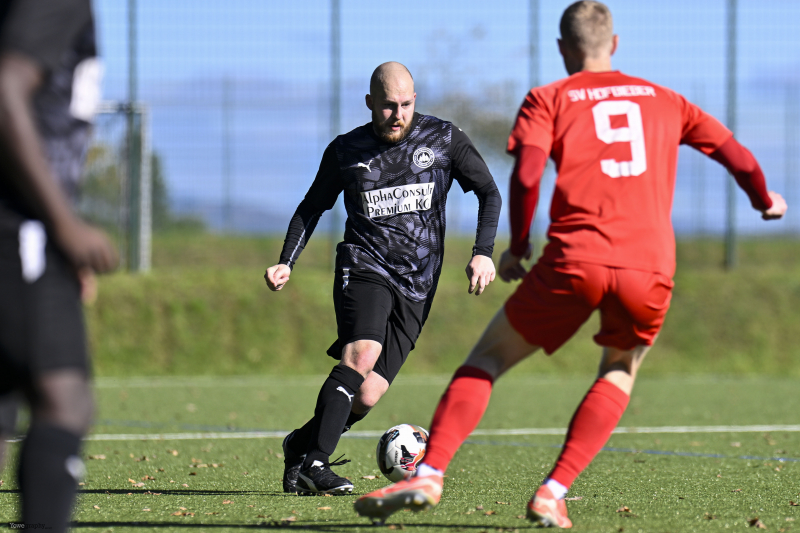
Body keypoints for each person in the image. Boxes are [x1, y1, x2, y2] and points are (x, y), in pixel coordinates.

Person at [354, 1, 787, 527]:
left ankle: (432, 471)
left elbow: (529, 173)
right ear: (616, 44)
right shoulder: (665, 99)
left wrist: (518, 248)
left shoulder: (549, 98)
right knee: (621, 368)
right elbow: (733, 153)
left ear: (563, 49)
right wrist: (766, 199)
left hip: (574, 258)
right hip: (649, 265)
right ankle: (553, 490)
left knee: (486, 361)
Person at [264, 61, 501, 495]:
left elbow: (489, 192)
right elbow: (311, 206)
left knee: (368, 394)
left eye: (406, 104)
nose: (398, 114)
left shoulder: (443, 139)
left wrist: (483, 254)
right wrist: (287, 261)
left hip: (419, 283)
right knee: (362, 353)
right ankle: (314, 465)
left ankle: (300, 444)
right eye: (389, 105)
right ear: (370, 103)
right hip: (364, 265)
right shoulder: (345, 150)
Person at [0, 0, 118, 530]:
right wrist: (62, 226)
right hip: (16, 227)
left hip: (29, 233)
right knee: (63, 398)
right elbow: (5, 93)